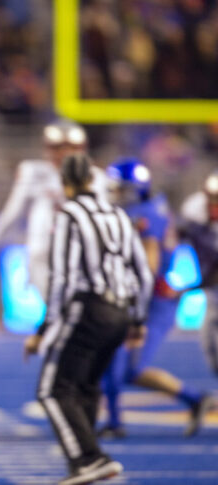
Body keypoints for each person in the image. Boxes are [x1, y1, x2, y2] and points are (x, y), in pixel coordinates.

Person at [23, 154, 153, 485]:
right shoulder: (119, 215)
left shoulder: (69, 214)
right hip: (121, 312)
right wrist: (137, 321)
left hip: (89, 309)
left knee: (51, 390)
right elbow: (143, 273)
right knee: (85, 387)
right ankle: (92, 459)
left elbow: (63, 278)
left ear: (65, 183)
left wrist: (44, 328)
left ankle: (87, 459)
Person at [100, 158, 212, 438]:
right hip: (147, 297)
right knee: (115, 362)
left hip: (151, 301)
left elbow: (148, 266)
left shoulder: (144, 215)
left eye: (122, 190)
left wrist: (126, 294)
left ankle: (194, 399)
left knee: (127, 365)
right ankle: (117, 421)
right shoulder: (153, 207)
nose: (117, 195)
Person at [0, 120, 106, 298]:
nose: (64, 153)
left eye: (71, 147)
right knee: (56, 311)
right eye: (57, 148)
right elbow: (10, 217)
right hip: (43, 253)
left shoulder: (96, 177)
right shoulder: (33, 172)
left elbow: (104, 222)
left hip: (81, 255)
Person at [179, 171, 218, 381]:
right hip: (212, 287)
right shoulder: (193, 211)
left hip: (212, 281)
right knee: (210, 347)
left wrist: (194, 286)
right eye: (212, 199)